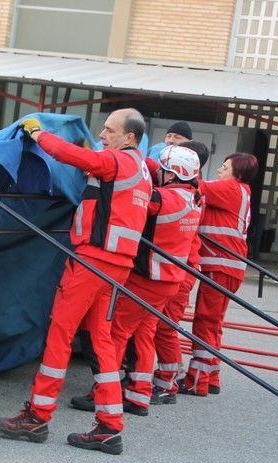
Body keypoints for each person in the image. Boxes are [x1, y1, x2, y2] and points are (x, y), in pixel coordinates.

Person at [0, 108, 152, 455]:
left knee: (60, 333)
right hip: (116, 265)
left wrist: (38, 134)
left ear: (130, 138)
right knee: (102, 340)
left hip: (94, 261)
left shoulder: (117, 161)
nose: (102, 136)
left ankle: (38, 416)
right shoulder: (141, 169)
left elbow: (70, 156)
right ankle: (109, 426)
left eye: (109, 131)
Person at [70, 146, 204, 415]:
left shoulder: (164, 199)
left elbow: (136, 196)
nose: (159, 174)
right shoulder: (194, 197)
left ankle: (102, 393)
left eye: (163, 171)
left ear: (171, 175)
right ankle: (139, 395)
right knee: (144, 334)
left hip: (148, 278)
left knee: (116, 333)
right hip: (168, 281)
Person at [179, 152, 259, 396]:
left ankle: (197, 381)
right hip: (228, 266)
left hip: (220, 265)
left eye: (224, 168)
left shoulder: (231, 188)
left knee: (205, 321)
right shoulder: (240, 191)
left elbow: (194, 184)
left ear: (238, 173)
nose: (219, 171)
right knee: (214, 323)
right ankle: (211, 376)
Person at [150, 140, 210, 404]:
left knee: (164, 328)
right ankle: (164, 379)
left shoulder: (182, 194)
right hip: (183, 267)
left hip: (181, 270)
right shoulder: (193, 190)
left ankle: (167, 383)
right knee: (160, 327)